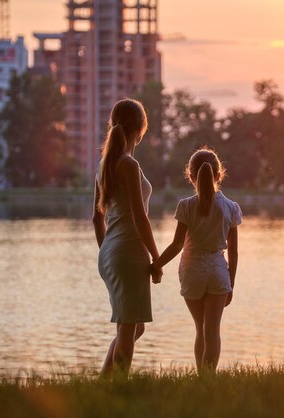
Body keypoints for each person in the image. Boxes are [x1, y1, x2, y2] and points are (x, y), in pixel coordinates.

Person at [152, 147, 242, 373]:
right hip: (218, 270)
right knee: (212, 331)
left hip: (192, 269)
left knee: (200, 329)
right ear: (219, 175)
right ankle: (207, 380)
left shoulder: (186, 206)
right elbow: (234, 252)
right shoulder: (230, 207)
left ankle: (201, 377)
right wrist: (231, 283)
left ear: (191, 176)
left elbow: (176, 245)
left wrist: (154, 266)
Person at [92, 98, 163, 377]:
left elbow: (97, 218)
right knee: (128, 327)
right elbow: (140, 217)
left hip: (110, 252)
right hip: (128, 252)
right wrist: (157, 258)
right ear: (142, 129)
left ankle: (104, 384)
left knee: (133, 326)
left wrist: (106, 252)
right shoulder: (129, 165)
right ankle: (117, 390)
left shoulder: (103, 165)